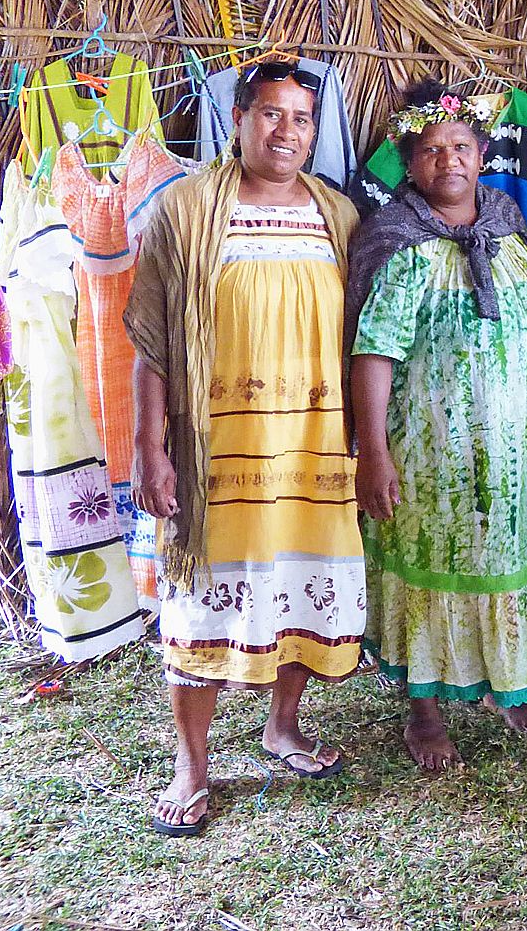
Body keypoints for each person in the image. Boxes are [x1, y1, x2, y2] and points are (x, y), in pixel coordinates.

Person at [125, 62, 365, 836]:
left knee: (300, 591)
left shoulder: (338, 214)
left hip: (312, 450)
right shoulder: (187, 210)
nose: (285, 132)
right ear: (236, 117)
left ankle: (281, 725)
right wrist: (148, 447)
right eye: (270, 114)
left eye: (301, 118)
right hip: (215, 452)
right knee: (199, 607)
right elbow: (153, 339)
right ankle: (191, 763)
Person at [348, 82, 527, 772]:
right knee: (436, 566)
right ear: (410, 166)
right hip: (430, 454)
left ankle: (503, 684)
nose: (448, 160)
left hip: (515, 458)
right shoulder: (395, 242)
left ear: (482, 158)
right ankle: (423, 712)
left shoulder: (506, 227)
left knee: (500, 560)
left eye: (461, 147)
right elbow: (373, 352)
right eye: (431, 150)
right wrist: (374, 452)